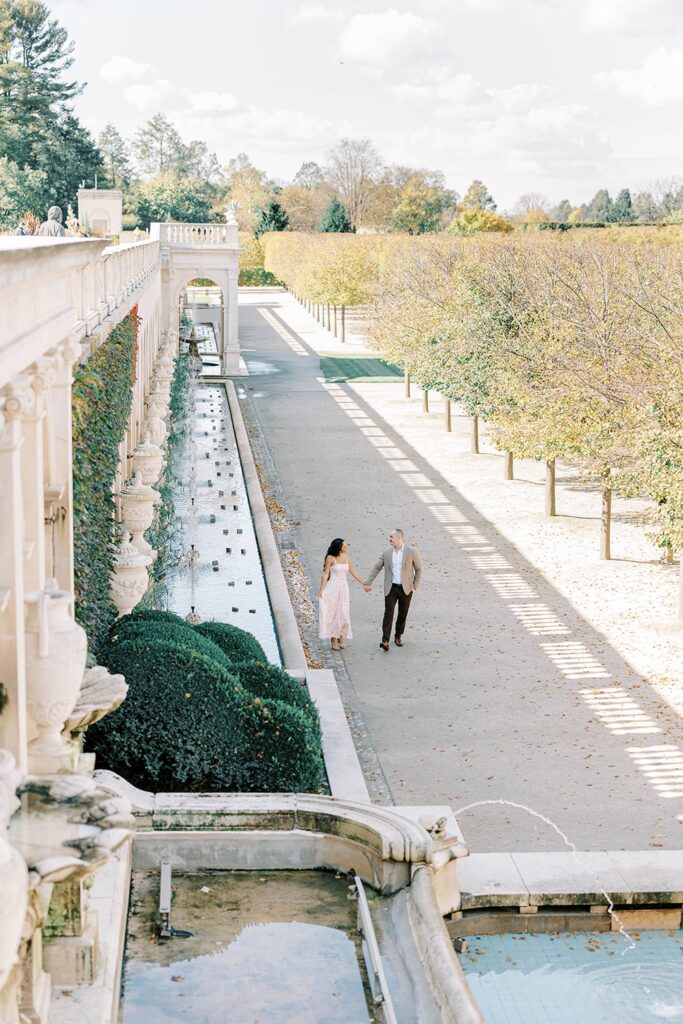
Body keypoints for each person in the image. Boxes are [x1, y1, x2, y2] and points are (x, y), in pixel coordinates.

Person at [366, 528, 423, 651]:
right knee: (388, 613)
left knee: (403, 613)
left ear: (399, 538)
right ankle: (385, 640)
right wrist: (368, 582)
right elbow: (377, 567)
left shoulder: (411, 552)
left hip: (406, 588)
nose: (389, 539)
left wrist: (414, 586)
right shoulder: (387, 553)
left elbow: (419, 569)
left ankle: (398, 635)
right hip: (391, 588)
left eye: (391, 536)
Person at [318, 537, 367, 651]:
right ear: (339, 548)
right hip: (332, 588)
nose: (346, 547)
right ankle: (333, 638)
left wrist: (364, 583)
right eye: (344, 546)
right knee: (333, 612)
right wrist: (321, 590)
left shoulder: (346, 558)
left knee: (343, 612)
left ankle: (341, 635)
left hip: (344, 588)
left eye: (346, 545)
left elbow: (353, 572)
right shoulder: (330, 558)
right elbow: (326, 574)